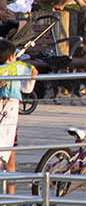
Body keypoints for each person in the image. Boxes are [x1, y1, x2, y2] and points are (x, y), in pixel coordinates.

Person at [0, 39, 34, 192]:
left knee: (11, 157)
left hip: (12, 119)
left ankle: (10, 197)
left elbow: (25, 89)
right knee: (5, 156)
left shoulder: (14, 70)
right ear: (10, 57)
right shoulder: (10, 69)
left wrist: (31, 76)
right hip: (6, 116)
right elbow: (26, 89)